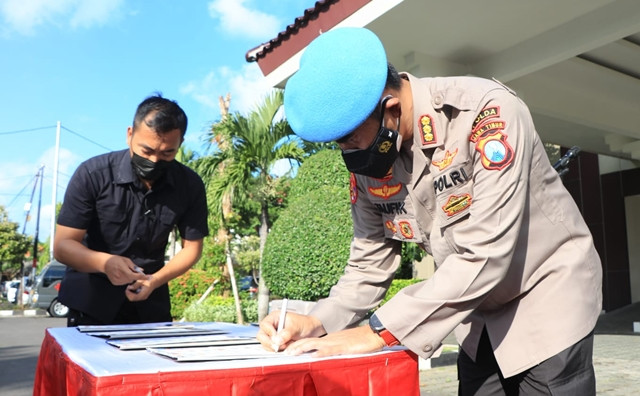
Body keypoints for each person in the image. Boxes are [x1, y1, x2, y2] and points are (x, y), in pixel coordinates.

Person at [257, 27, 603, 395]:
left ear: (390, 109)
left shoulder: (484, 113)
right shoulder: (371, 159)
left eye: (349, 139)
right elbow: (367, 266)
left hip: (544, 298)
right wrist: (317, 323)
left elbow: (485, 253)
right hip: (474, 315)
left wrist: (377, 333)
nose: (348, 154)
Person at [54, 94, 208, 326]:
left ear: (180, 144)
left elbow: (192, 248)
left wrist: (155, 280)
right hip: (91, 301)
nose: (155, 161)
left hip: (149, 300)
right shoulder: (92, 174)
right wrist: (105, 263)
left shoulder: (189, 185)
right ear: (129, 135)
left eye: (167, 153)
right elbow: (63, 246)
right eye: (146, 151)